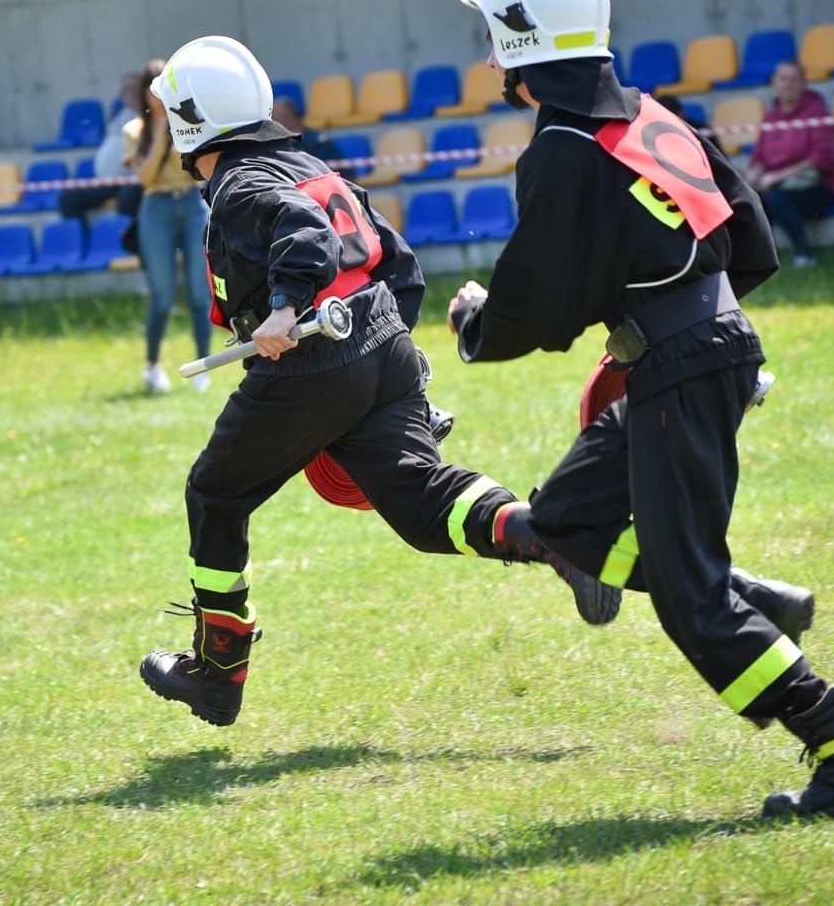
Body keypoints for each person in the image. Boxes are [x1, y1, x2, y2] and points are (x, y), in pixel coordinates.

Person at [449, 0, 834, 819]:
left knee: (690, 602)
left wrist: (479, 323)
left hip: (678, 369)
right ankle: (749, 596)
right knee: (568, 518)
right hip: (700, 353)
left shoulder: (563, 146)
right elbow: (749, 230)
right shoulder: (650, 115)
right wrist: (705, 324)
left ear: (516, 45)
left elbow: (542, 293)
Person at [138, 35, 613, 728]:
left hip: (310, 360)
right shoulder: (309, 166)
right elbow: (398, 261)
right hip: (381, 344)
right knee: (423, 506)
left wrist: (282, 308)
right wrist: (395, 359)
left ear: (190, 121)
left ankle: (217, 671)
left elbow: (303, 235)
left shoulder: (241, 183)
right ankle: (547, 534)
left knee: (215, 492)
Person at [122, 60, 213, 393]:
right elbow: (145, 177)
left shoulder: (189, 126)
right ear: (145, 94)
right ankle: (152, 366)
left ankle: (204, 366)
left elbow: (197, 172)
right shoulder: (133, 131)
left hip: (191, 204)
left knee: (198, 293)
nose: (158, 98)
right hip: (156, 206)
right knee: (161, 295)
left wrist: (178, 129)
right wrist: (160, 131)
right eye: (153, 90)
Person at [741, 61, 834, 267]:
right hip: (780, 185)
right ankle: (761, 259)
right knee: (754, 200)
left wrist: (777, 176)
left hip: (825, 186)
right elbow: (759, 155)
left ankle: (803, 254)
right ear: (775, 83)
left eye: (794, 79)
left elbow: (821, 160)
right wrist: (756, 171)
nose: (788, 84)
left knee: (778, 199)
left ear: (803, 83)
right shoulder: (771, 116)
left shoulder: (818, 114)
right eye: (783, 79)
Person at [58, 70, 144, 225]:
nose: (131, 93)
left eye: (135, 88)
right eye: (126, 90)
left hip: (132, 180)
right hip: (107, 182)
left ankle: (130, 245)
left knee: (127, 198)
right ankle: (82, 244)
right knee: (68, 199)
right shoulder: (119, 115)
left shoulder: (149, 117)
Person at [269, 95, 337, 160]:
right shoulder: (274, 147)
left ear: (290, 119)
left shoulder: (320, 143)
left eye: (276, 120)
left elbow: (336, 168)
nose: (272, 126)